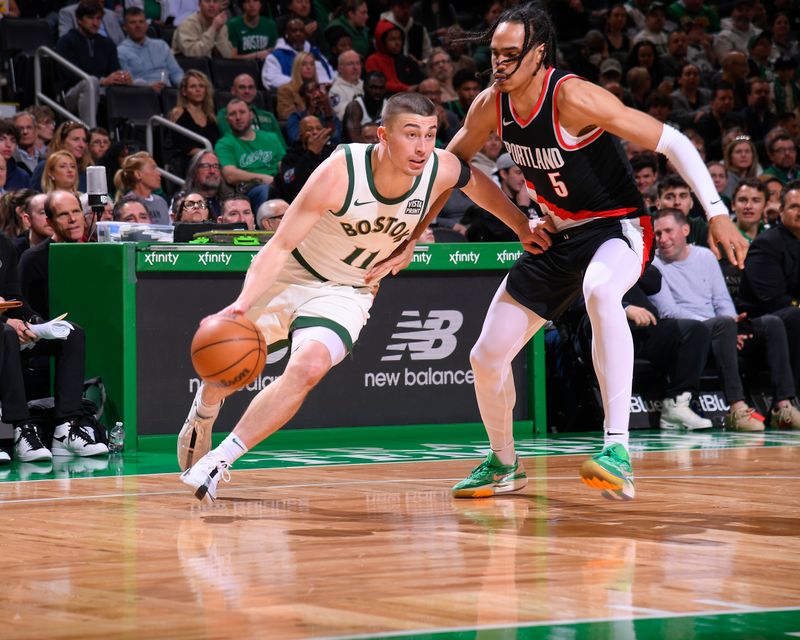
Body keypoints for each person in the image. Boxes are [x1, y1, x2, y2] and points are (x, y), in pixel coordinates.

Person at [373, 4, 747, 501]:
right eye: (494, 54)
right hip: (556, 233)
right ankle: (504, 463)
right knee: (485, 357)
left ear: (538, 54)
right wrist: (419, 231)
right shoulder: (491, 104)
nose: (499, 64)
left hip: (616, 226)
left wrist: (717, 211)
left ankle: (617, 449)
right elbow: (453, 166)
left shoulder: (572, 96)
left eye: (511, 55)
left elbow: (672, 141)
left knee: (599, 291)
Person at [177, 92, 542, 502]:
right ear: (383, 136)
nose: (422, 147)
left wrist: (521, 225)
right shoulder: (340, 171)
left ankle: (219, 462)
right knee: (222, 371)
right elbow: (278, 246)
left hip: (349, 290)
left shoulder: (437, 165)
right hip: (294, 274)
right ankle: (205, 409)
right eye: (411, 134)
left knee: (307, 368)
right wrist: (241, 306)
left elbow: (475, 183)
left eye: (430, 134)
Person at [650, 207, 800, 431]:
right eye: (658, 234)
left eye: (668, 231)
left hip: (722, 327)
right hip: (689, 332)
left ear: (685, 229)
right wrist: (724, 326)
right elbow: (669, 312)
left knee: (772, 323)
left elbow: (722, 300)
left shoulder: (705, 256)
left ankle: (783, 406)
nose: (663, 239)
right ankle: (737, 408)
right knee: (723, 324)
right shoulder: (653, 263)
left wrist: (733, 324)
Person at [738, 180, 800, 402]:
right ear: (781, 210)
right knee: (794, 316)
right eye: (794, 207)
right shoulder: (767, 244)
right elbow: (773, 301)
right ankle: (790, 400)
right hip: (757, 324)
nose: (799, 212)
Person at [55, 0, 131, 126]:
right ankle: (90, 132)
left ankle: (129, 133)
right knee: (91, 83)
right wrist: (102, 81)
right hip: (72, 93)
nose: (95, 23)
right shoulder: (66, 41)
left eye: (98, 19)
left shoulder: (108, 44)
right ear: (79, 20)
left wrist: (122, 78)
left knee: (139, 83)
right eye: (90, 18)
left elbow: (114, 71)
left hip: (103, 90)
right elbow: (71, 76)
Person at [215, 98, 285, 212]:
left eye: (242, 112)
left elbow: (282, 164)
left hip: (278, 183)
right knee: (266, 190)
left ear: (250, 115)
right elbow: (230, 174)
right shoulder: (224, 144)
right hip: (249, 189)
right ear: (227, 120)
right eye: (233, 114)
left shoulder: (271, 138)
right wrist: (264, 178)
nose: (238, 117)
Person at [118, 7, 185, 90]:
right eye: (132, 22)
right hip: (141, 96)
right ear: (125, 27)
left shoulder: (161, 45)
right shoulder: (120, 51)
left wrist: (185, 86)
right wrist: (148, 87)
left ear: (146, 25)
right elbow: (127, 83)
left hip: (167, 92)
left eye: (141, 22)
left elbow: (176, 73)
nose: (138, 26)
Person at [168, 71, 221, 175]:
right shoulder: (178, 113)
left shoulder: (211, 117)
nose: (198, 90)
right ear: (184, 91)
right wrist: (207, 154)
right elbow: (180, 144)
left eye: (201, 86)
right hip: (187, 163)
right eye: (193, 86)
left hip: (210, 163)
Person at [262, 17, 335, 90]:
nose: (298, 34)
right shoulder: (276, 56)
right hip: (296, 95)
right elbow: (272, 79)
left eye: (301, 30)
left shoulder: (315, 52)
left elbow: (331, 73)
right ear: (286, 34)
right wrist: (303, 84)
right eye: (294, 31)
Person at [274, 115, 335, 202]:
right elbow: (294, 186)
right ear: (300, 134)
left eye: (318, 128)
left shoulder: (333, 152)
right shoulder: (290, 157)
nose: (315, 132)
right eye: (309, 129)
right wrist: (312, 153)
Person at [217, 74, 285, 145]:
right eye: (242, 87)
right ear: (233, 91)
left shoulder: (269, 116)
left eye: (251, 87)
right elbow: (230, 141)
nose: (247, 91)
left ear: (255, 91)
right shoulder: (225, 114)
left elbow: (281, 146)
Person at [113, 152, 170, 225]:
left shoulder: (161, 201)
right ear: (138, 174)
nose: (159, 173)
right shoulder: (126, 205)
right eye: (153, 168)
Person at [178, 150, 234, 221]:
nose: (212, 171)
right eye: (206, 166)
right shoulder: (182, 200)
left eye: (216, 166)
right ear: (195, 170)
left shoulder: (230, 199)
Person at [328, 50, 364, 122]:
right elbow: (344, 116)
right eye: (350, 64)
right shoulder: (335, 91)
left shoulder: (366, 85)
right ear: (340, 68)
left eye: (358, 63)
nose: (355, 67)